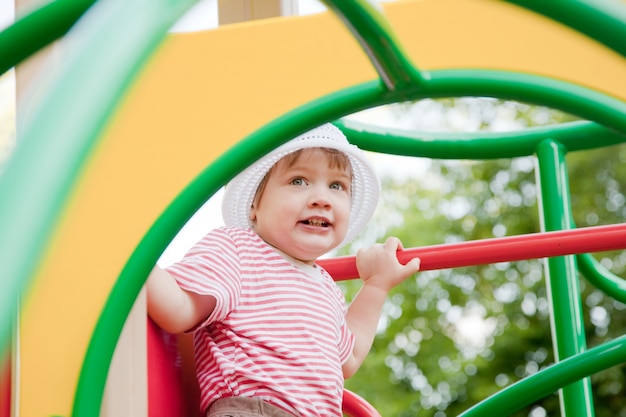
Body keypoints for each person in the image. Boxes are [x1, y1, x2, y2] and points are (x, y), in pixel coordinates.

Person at [147, 123, 421, 417]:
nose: (322, 198)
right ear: (255, 203)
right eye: (299, 181)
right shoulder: (240, 249)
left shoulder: (326, 287)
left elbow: (348, 359)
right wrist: (133, 253)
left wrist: (376, 286)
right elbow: (179, 309)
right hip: (254, 410)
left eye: (337, 185)